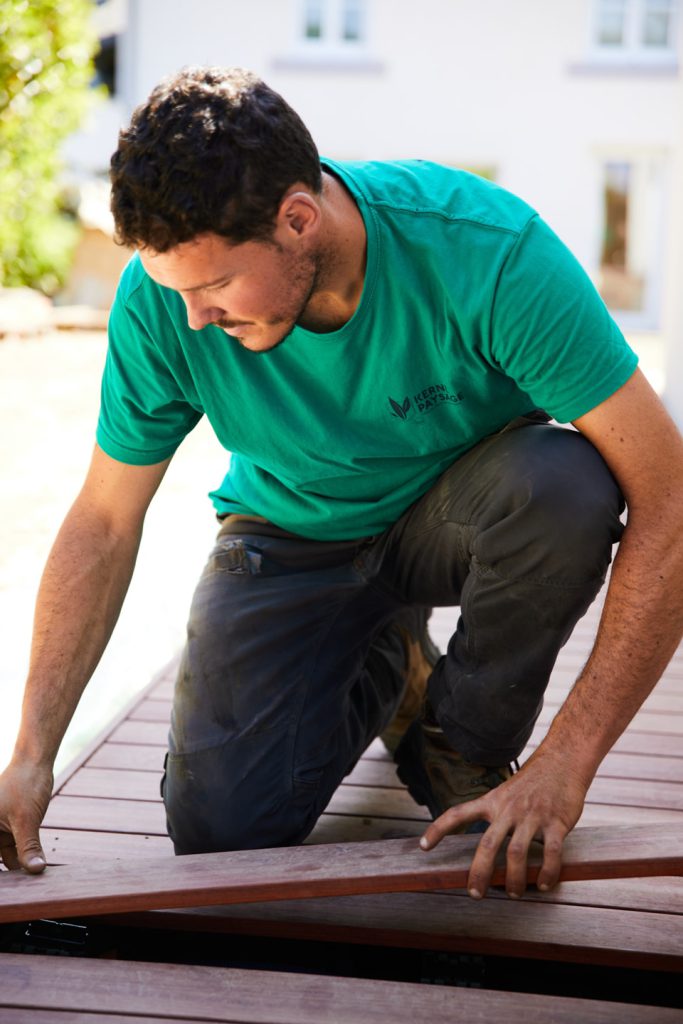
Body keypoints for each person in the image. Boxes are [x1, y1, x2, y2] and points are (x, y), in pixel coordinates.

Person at [1, 67, 682, 902]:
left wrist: (564, 765)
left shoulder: (486, 253)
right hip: (288, 530)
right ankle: (391, 666)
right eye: (177, 289)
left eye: (214, 286)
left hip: (455, 513)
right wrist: (32, 757)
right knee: (222, 837)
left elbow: (670, 497)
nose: (194, 319)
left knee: (568, 484)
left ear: (298, 219)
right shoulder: (163, 303)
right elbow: (104, 520)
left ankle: (460, 741)